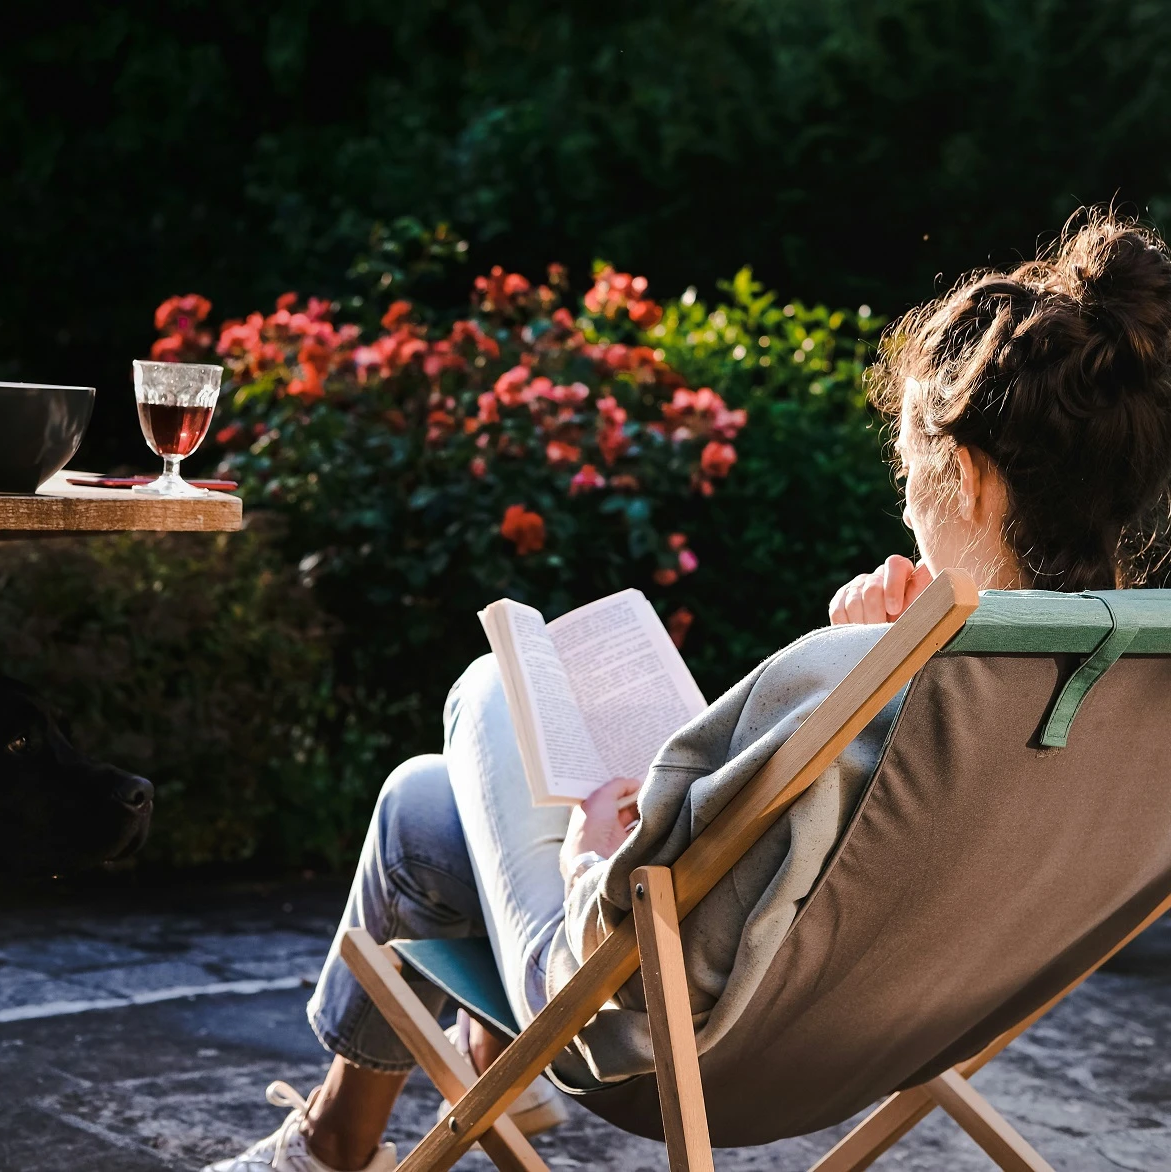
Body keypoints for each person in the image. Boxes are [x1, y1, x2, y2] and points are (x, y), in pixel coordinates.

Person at [205, 208, 1171, 1172]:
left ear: (958, 471)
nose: (905, 497)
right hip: (902, 1039)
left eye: (909, 471)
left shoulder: (872, 681)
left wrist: (588, 857)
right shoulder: (1131, 692)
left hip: (675, 1063)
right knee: (421, 805)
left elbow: (635, 924)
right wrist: (886, 662)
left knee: (486, 691)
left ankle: (348, 1139)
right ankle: (398, 1106)